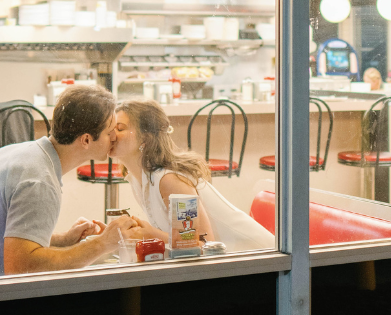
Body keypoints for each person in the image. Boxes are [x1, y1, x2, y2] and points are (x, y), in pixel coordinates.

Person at [0, 85, 141, 280]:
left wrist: (63, 240)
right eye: (109, 131)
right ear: (86, 140)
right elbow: (21, 267)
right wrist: (103, 243)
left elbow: (9, 238)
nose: (114, 137)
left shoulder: (24, 153)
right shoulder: (38, 181)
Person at [111, 100, 273, 251]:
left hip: (257, 259)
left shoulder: (169, 180)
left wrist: (150, 235)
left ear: (145, 138)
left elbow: (203, 245)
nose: (111, 135)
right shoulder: (135, 179)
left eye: (120, 128)